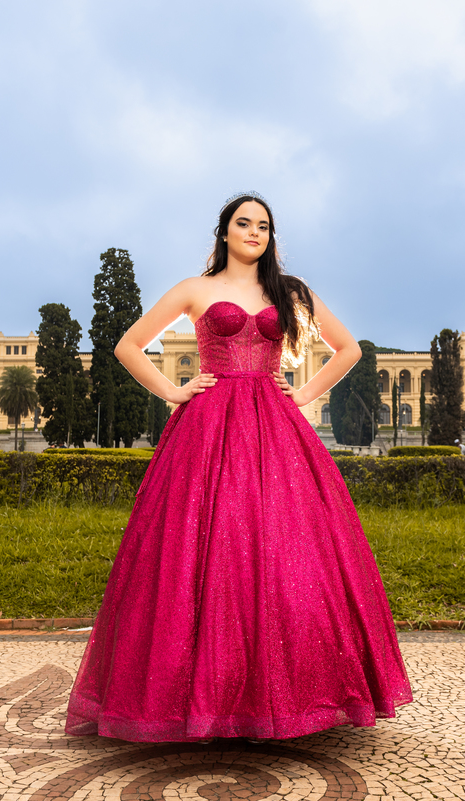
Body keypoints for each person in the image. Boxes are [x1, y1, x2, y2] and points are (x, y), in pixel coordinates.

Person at [65, 192, 412, 742]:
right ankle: (201, 699)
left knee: (284, 545)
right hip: (207, 427)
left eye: (264, 226)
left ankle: (290, 695)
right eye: (244, 223)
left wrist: (303, 395)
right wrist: (174, 392)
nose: (254, 232)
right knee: (202, 543)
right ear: (224, 231)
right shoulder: (194, 289)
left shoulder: (289, 292)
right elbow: (128, 346)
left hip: (275, 425)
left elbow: (348, 349)